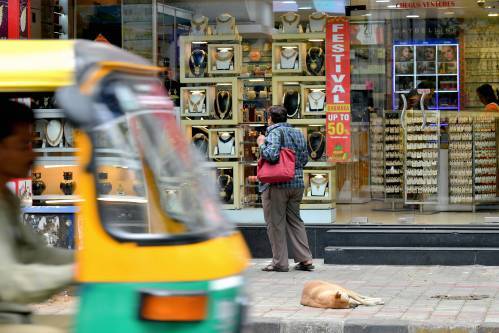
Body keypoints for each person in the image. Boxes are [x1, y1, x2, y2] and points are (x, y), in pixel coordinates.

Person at [0, 99, 74, 332]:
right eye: (23, 146)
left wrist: (92, 260)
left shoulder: (7, 199)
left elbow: (36, 254)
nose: (33, 155)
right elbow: (10, 284)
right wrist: (80, 271)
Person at [256, 105, 314, 272]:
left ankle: (280, 263)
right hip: (296, 185)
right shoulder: (298, 133)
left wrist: (261, 144)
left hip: (277, 185)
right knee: (296, 221)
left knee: (276, 224)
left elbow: (271, 155)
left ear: (270, 118)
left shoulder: (273, 132)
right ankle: (305, 259)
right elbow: (304, 159)